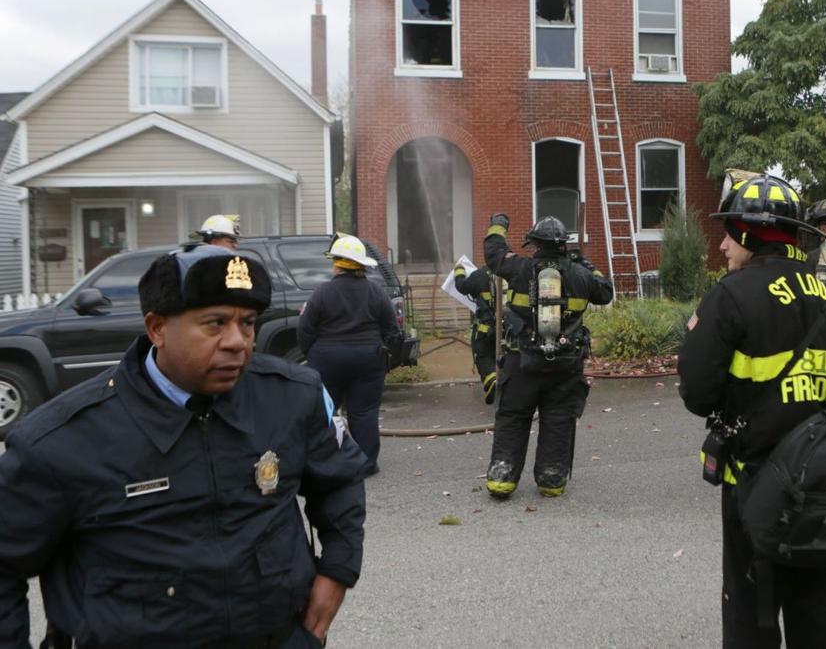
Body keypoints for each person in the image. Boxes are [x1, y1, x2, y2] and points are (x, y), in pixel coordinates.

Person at [0, 245, 368, 647]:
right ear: (157, 328)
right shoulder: (63, 440)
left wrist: (337, 572)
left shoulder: (291, 397)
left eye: (247, 323)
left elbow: (341, 481)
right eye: (215, 323)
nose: (237, 342)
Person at [678, 173, 826, 647]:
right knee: (815, 606)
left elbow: (696, 394)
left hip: (755, 487)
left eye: (728, 233)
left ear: (748, 233)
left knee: (751, 611)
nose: (722, 246)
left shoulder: (731, 297)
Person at [482, 213, 613, 498]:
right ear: (564, 244)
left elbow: (494, 254)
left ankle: (501, 479)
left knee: (513, 417)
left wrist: (499, 224)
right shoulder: (581, 275)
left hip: (521, 363)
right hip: (565, 365)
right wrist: (585, 263)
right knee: (558, 418)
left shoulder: (519, 268)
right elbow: (605, 292)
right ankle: (551, 480)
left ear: (535, 243)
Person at [299, 233, 398, 476]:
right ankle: (365, 463)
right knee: (364, 412)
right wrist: (382, 352)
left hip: (327, 358)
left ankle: (328, 461)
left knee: (326, 411)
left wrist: (312, 354)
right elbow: (392, 330)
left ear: (338, 264)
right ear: (361, 265)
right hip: (367, 358)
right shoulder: (376, 292)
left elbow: (306, 329)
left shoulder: (322, 293)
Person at [454, 261, 500, 404]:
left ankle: (492, 380)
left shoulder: (478, 275)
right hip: (507, 330)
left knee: (483, 356)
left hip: (485, 329)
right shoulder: (511, 273)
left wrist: (459, 271)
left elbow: (461, 287)